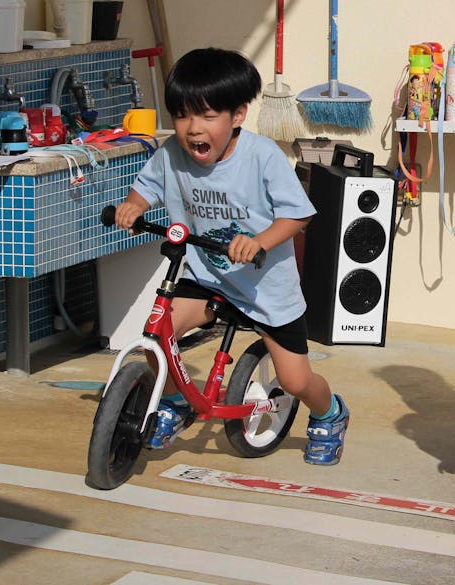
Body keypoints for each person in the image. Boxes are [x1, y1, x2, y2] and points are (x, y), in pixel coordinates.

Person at [111, 47, 349, 466]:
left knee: (295, 381)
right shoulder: (171, 155)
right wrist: (133, 206)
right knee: (156, 337)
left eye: (206, 116)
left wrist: (259, 241)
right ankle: (176, 402)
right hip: (208, 276)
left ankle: (330, 413)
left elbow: (298, 214)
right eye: (182, 115)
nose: (191, 128)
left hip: (265, 290)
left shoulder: (262, 157)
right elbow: (147, 186)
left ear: (237, 115)